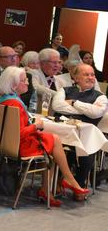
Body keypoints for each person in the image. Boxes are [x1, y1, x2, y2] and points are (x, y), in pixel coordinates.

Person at [0, 66, 89, 205]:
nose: (28, 82)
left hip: (2, 142)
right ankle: (62, 182)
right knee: (54, 142)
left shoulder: (2, 98)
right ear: (13, 85)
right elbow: (20, 133)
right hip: (17, 145)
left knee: (52, 142)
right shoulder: (14, 103)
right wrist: (36, 125)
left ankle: (54, 186)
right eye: (24, 80)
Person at [52, 63, 108, 191]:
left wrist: (73, 102)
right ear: (76, 78)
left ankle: (78, 183)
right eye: (86, 75)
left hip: (84, 137)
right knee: (57, 145)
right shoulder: (64, 90)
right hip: (61, 133)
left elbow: (96, 113)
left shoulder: (100, 97)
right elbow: (57, 106)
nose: (91, 77)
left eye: (92, 75)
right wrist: (86, 110)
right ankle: (58, 181)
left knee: (86, 147)